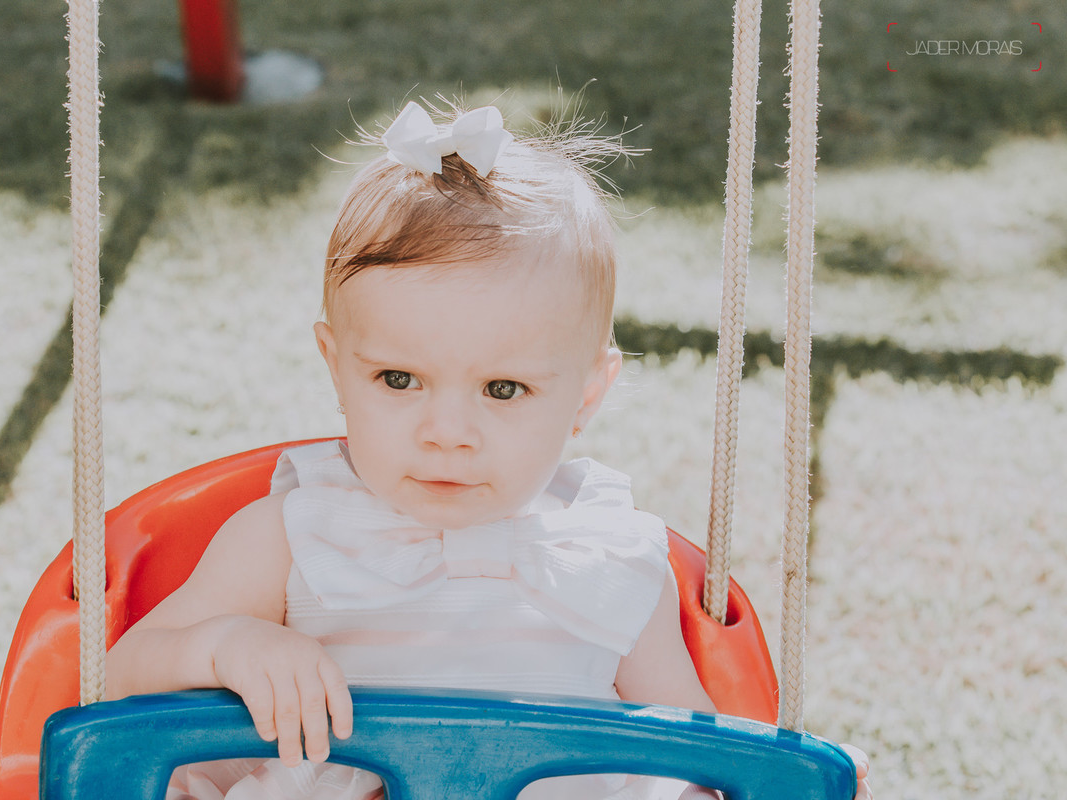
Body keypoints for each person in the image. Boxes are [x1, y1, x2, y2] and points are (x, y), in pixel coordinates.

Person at [106, 100, 871, 800]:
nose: (447, 430)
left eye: (503, 390)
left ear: (587, 395)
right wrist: (225, 645)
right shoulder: (292, 535)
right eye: (399, 378)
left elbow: (694, 761)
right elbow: (113, 680)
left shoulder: (613, 559)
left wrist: (786, 783)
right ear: (336, 366)